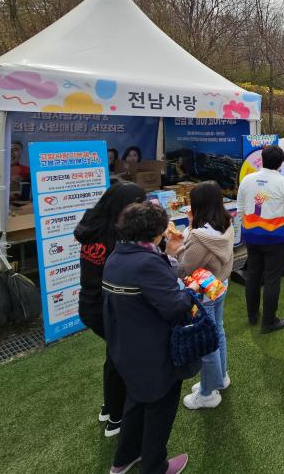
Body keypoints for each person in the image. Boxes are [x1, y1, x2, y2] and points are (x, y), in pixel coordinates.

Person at [103, 202, 196, 474]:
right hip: (153, 349)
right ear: (156, 231)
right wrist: (191, 290)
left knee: (136, 402)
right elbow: (174, 305)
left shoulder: (117, 255)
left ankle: (124, 458)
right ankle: (155, 466)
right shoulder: (147, 262)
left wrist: (168, 255)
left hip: (125, 346)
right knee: (160, 408)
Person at [74, 182, 146, 438]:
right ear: (123, 207)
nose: (142, 210)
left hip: (91, 304)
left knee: (114, 357)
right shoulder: (115, 235)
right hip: (107, 308)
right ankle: (117, 417)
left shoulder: (94, 226)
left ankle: (109, 407)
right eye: (138, 204)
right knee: (121, 361)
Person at [166, 181, 234, 410]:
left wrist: (176, 248)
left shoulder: (198, 235)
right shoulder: (226, 222)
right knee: (218, 332)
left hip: (203, 293)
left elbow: (184, 267)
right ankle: (220, 378)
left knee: (206, 342)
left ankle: (208, 392)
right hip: (219, 285)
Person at [237, 145, 284, 333]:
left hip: (251, 236)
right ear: (281, 163)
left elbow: (240, 208)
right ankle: (268, 322)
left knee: (253, 275)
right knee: (272, 279)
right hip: (275, 238)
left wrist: (246, 228)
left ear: (262, 159)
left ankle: (252, 316)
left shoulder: (247, 180)